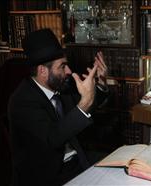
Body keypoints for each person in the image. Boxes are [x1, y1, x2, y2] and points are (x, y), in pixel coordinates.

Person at [8, 29, 109, 186]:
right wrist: (85, 101)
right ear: (42, 71)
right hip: (47, 175)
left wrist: (100, 85)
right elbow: (52, 138)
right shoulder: (22, 101)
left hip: (76, 159)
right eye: (62, 66)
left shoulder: (60, 87)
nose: (68, 71)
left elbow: (85, 106)